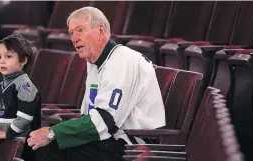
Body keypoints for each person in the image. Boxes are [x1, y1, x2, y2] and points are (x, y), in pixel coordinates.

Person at [27, 6, 165, 161]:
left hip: (131, 144)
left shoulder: (123, 61)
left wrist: (54, 132)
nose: (74, 38)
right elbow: (89, 115)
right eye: (71, 33)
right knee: (32, 142)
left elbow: (105, 120)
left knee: (47, 147)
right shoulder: (94, 62)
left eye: (80, 30)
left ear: (100, 31)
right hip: (107, 137)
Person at [0, 34, 41, 160]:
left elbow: (25, 118)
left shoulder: (25, 85)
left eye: (8, 56)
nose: (2, 61)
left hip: (22, 147)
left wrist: (7, 133)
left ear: (23, 60)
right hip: (5, 142)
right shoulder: (2, 85)